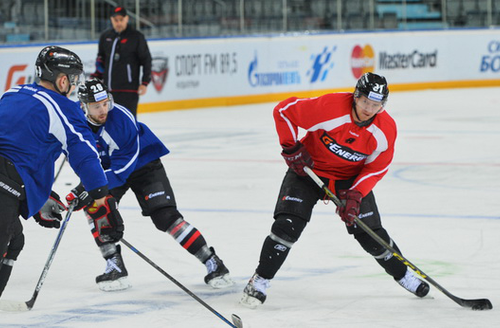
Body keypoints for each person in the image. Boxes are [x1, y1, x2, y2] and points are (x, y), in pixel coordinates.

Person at [240, 72, 430, 308]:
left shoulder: (385, 129)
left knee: (370, 234)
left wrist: (356, 193)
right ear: (355, 96)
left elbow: (377, 167)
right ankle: (260, 280)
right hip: (308, 171)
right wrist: (291, 147)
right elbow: (283, 111)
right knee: (287, 226)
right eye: (365, 102)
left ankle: (404, 275)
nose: (369, 109)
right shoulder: (329, 107)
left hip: (348, 180)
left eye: (376, 105)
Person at [67, 78, 233, 292]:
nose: (103, 110)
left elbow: (122, 168)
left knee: (166, 217)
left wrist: (88, 187)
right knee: (96, 209)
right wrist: (83, 188)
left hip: (143, 164)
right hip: (110, 168)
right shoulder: (75, 120)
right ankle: (114, 265)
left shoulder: (121, 120)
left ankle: (213, 263)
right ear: (83, 106)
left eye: (105, 103)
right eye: (96, 106)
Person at [0, 46, 122, 298]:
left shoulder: (12, 93)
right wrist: (102, 199)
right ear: (62, 79)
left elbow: (19, 149)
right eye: (74, 79)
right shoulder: (62, 107)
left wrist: (37, 197)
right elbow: (84, 153)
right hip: (6, 187)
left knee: (15, 241)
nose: (74, 85)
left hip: (8, 186)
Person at [91, 6, 152, 117]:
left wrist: (144, 82)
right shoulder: (105, 36)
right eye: (116, 20)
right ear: (111, 19)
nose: (118, 23)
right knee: (109, 123)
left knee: (128, 122)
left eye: (121, 20)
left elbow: (146, 60)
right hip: (109, 90)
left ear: (127, 19)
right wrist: (97, 77)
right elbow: (101, 60)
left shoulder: (136, 37)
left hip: (129, 90)